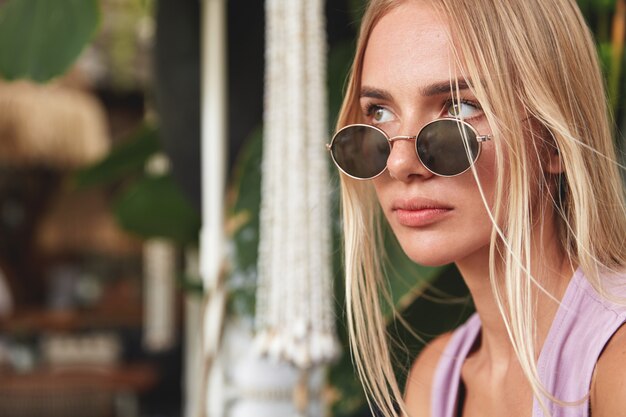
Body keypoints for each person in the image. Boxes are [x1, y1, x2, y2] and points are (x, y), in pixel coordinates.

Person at [326, 0, 626, 416]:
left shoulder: (616, 365)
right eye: (380, 112)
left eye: (461, 107)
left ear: (556, 139)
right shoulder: (435, 384)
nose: (399, 163)